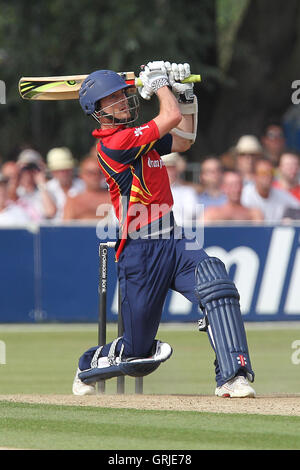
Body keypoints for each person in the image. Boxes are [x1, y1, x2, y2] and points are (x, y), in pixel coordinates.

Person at [72, 61, 256, 399]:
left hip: (174, 238)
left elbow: (184, 139)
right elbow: (168, 118)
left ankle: (234, 375)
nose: (123, 103)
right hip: (140, 252)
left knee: (217, 285)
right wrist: (161, 86)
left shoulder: (141, 139)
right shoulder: (114, 144)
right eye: (113, 100)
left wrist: (184, 95)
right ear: (99, 112)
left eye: (123, 96)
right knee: (139, 353)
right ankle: (90, 364)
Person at [241, 157, 300, 222]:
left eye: (271, 172)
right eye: (263, 172)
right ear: (255, 176)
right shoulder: (244, 195)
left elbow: (297, 206)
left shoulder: (282, 194)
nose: (268, 175)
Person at [63, 155, 112, 221]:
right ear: (81, 175)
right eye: (90, 173)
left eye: (99, 172)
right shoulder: (73, 201)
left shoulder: (114, 198)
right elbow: (66, 226)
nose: (95, 176)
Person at [15, 149, 57, 222]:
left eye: (33, 167)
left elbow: (50, 212)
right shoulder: (16, 191)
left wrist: (41, 183)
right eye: (25, 168)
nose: (28, 172)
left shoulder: (46, 190)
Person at [46, 147, 85, 221]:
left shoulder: (83, 186)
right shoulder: (47, 189)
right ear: (52, 172)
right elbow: (49, 213)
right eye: (59, 170)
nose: (64, 173)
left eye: (67, 169)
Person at [161, 152, 199, 225]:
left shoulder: (188, 191)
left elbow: (191, 214)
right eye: (167, 167)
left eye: (173, 167)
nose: (170, 171)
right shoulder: (152, 192)